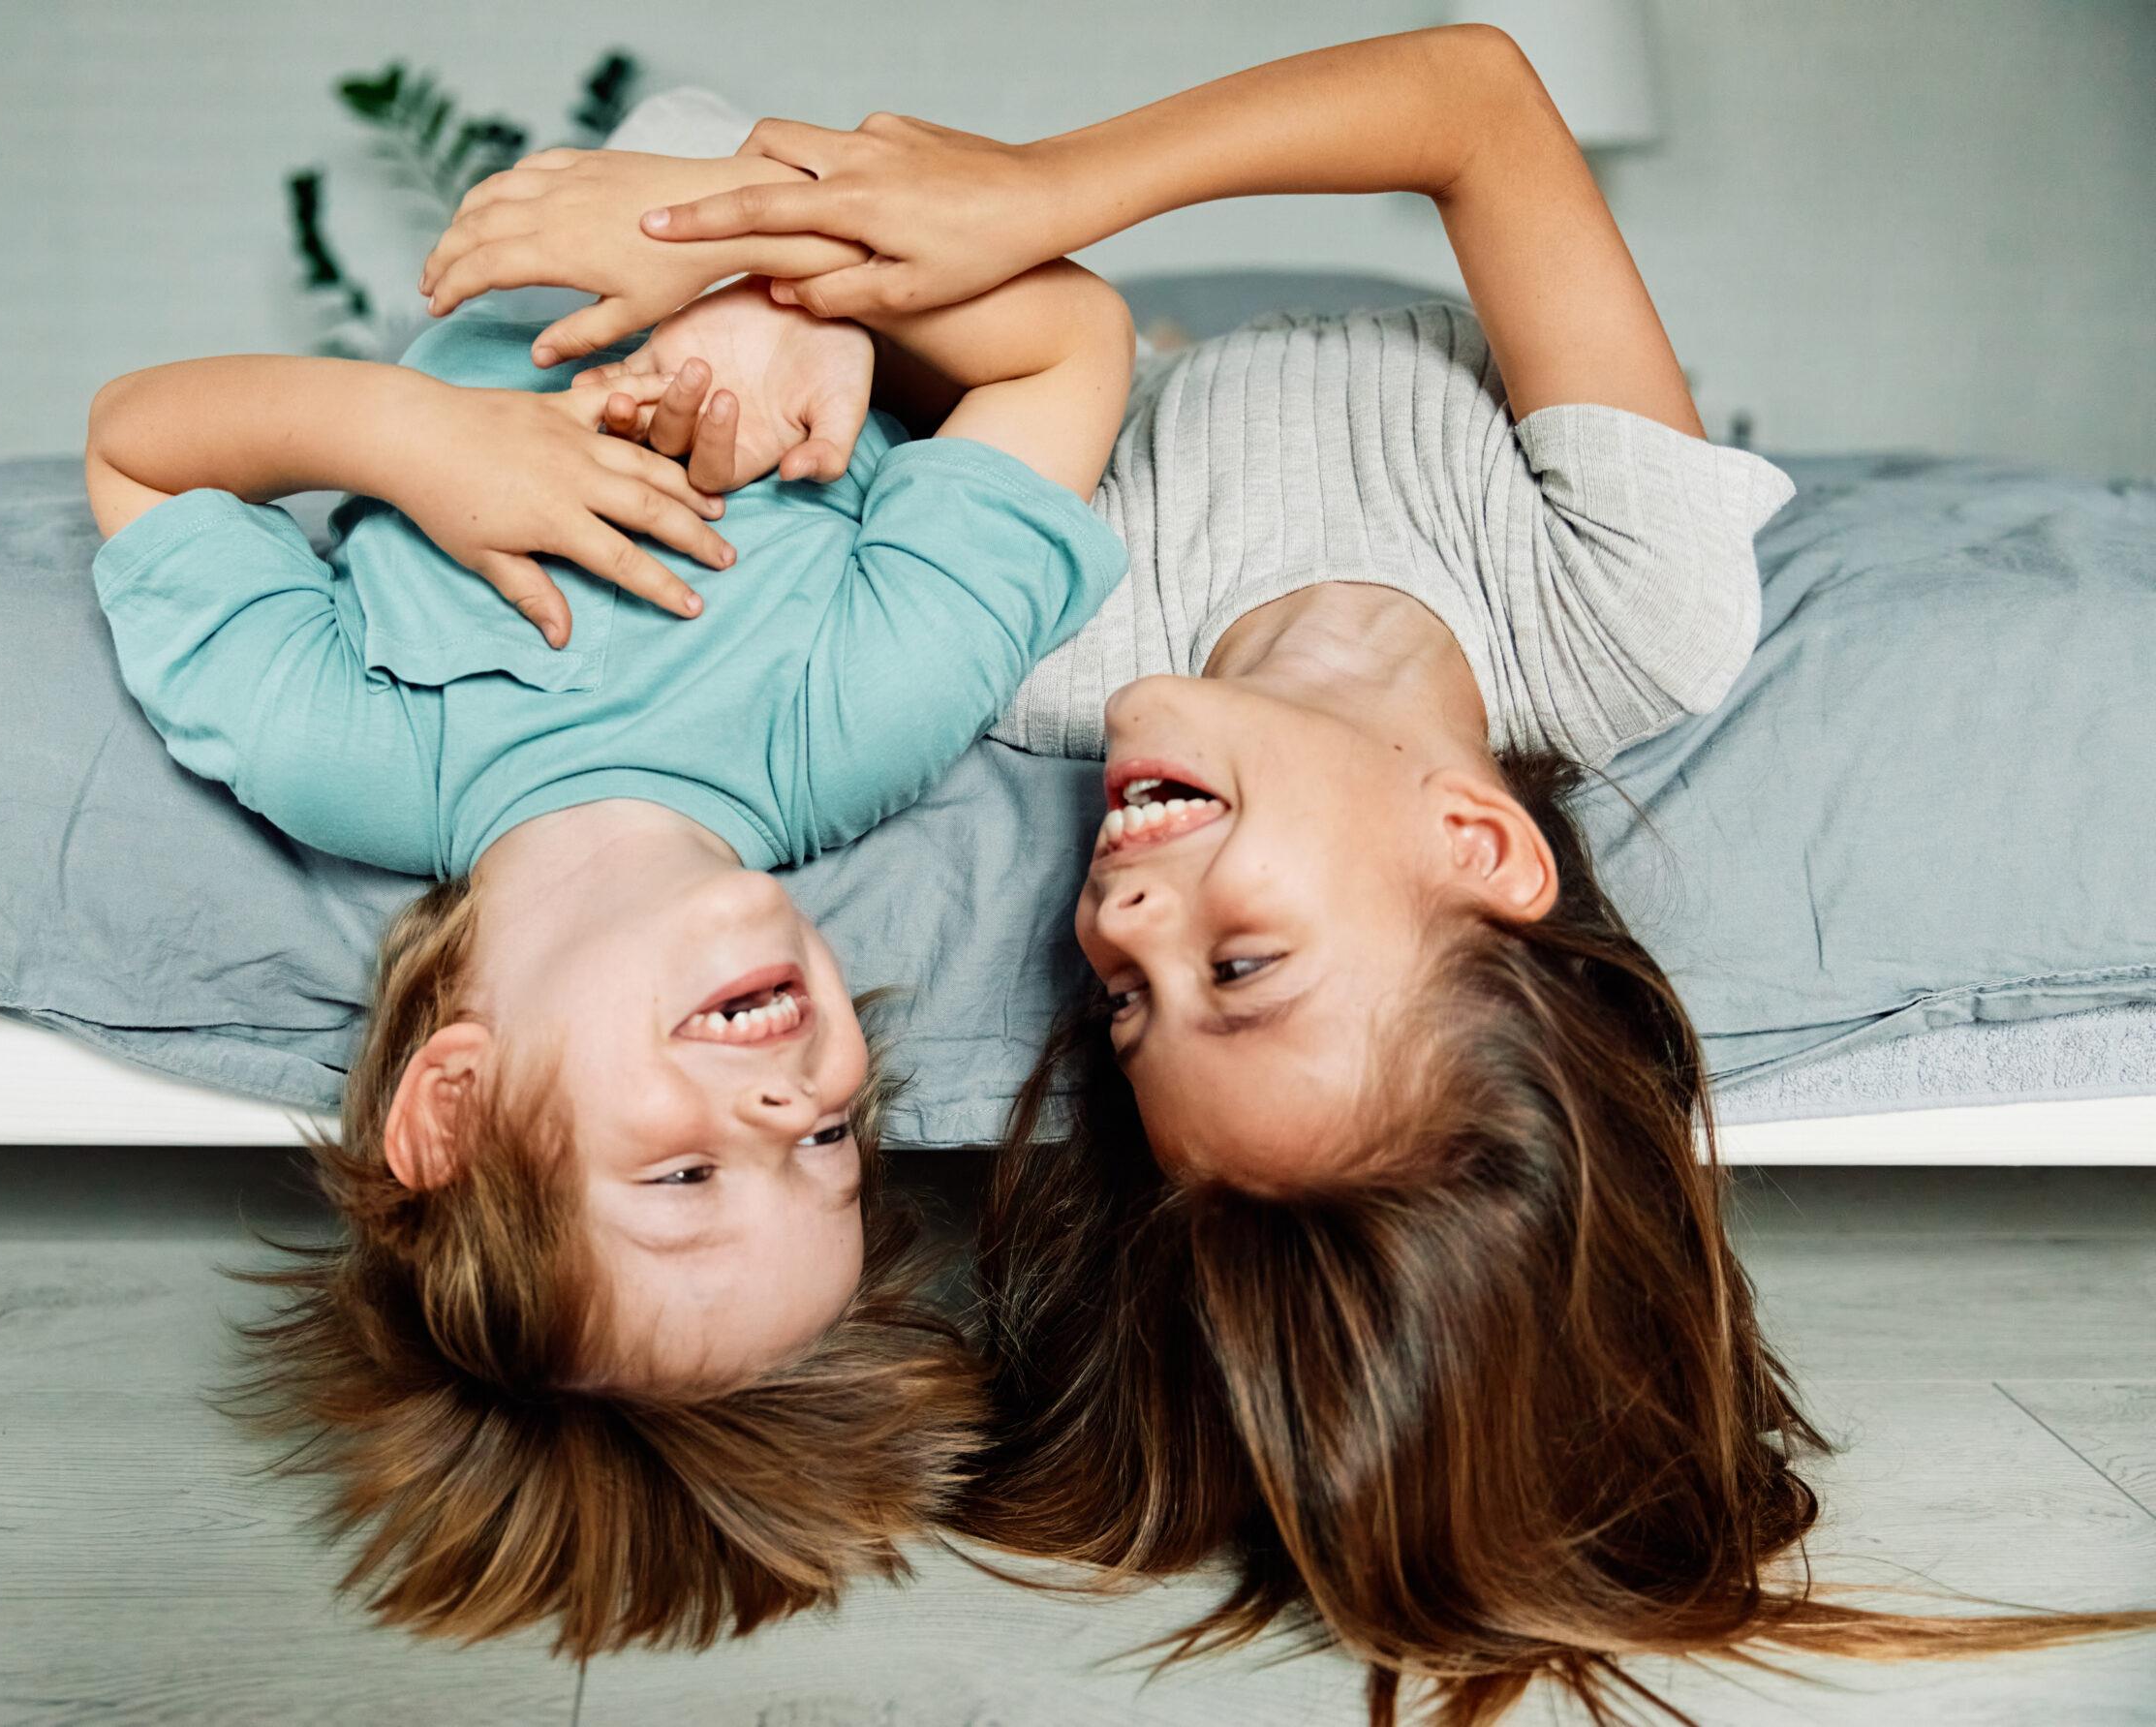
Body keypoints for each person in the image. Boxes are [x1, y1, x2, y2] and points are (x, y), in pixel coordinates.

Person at [422, 25, 2156, 1721]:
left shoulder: (1046, 652)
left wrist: (814, 287)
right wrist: (1045, 190)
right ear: (1479, 845)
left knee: (718, 232)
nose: (1122, 917)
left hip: (1096, 348)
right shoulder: (1635, 615)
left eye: (1127, 1004)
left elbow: (901, 290)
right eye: (1236, 970)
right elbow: (1474, 103)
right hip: (1117, 258)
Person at [83, 172, 1133, 1650]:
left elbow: (136, 448)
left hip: (519, 247)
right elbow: (1068, 347)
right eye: (831, 1146)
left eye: (688, 1181)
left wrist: (409, 435)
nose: (786, 1101)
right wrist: (792, 281)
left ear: (451, 1110)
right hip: (784, 193)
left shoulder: (347, 750)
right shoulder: (852, 723)